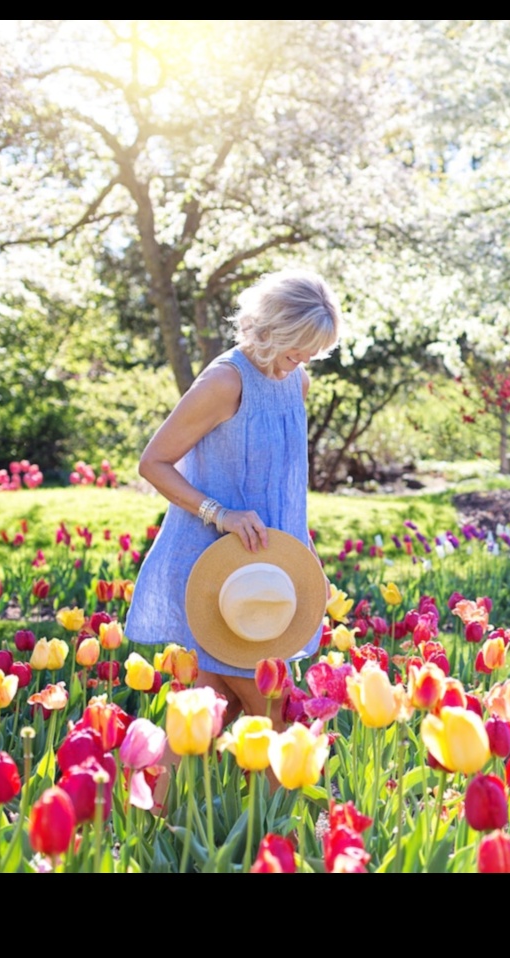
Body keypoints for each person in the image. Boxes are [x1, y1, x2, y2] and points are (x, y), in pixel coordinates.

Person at [127, 269, 341, 726]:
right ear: (270, 330)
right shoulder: (226, 382)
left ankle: (146, 798)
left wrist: (308, 560)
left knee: (207, 715)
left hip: (269, 569)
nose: (300, 363)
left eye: (310, 354)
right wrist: (219, 514)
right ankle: (303, 801)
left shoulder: (296, 383)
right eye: (294, 350)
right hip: (223, 571)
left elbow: (287, 489)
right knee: (278, 714)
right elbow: (153, 463)